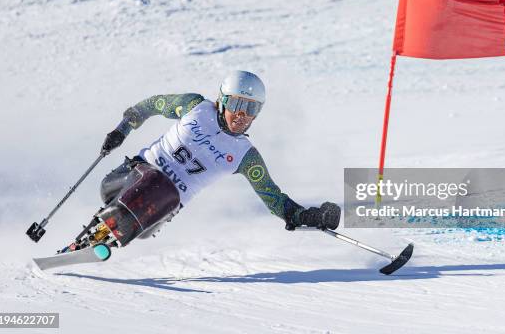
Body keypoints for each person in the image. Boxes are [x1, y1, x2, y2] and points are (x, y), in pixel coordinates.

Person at [94, 70, 340, 247]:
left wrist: (310, 216)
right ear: (222, 101)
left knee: (163, 192)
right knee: (152, 181)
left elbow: (274, 198)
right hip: (125, 179)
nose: (242, 115)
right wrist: (121, 131)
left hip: (155, 212)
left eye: (251, 109)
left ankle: (99, 241)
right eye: (236, 104)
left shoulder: (246, 156)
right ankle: (97, 233)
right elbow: (150, 106)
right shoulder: (195, 107)